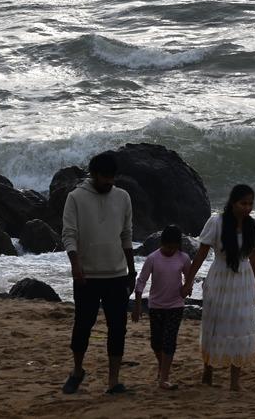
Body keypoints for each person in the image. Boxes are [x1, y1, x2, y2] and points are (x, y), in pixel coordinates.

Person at [61, 151, 135, 395]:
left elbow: (127, 235)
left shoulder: (123, 197)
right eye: (104, 177)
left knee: (118, 328)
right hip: (87, 275)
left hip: (116, 274)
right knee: (83, 325)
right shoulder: (75, 198)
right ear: (93, 174)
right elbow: (69, 235)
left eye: (112, 178)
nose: (109, 182)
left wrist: (132, 270)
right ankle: (77, 370)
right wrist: (75, 266)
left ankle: (113, 381)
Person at [183, 184, 255, 391]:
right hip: (219, 278)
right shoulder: (216, 222)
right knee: (214, 323)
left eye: (250, 204)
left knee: (241, 326)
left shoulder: (253, 226)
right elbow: (201, 253)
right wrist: (189, 280)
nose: (247, 208)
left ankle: (234, 380)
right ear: (233, 202)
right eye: (243, 203)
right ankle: (208, 369)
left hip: (243, 281)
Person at [132, 224, 192, 390]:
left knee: (169, 341)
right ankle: (162, 366)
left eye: (174, 247)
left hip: (175, 305)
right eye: (168, 247)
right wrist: (137, 306)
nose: (171, 250)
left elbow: (189, 277)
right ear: (162, 243)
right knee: (156, 343)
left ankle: (164, 378)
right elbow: (141, 281)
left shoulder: (183, 258)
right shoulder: (153, 258)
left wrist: (187, 288)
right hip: (156, 305)